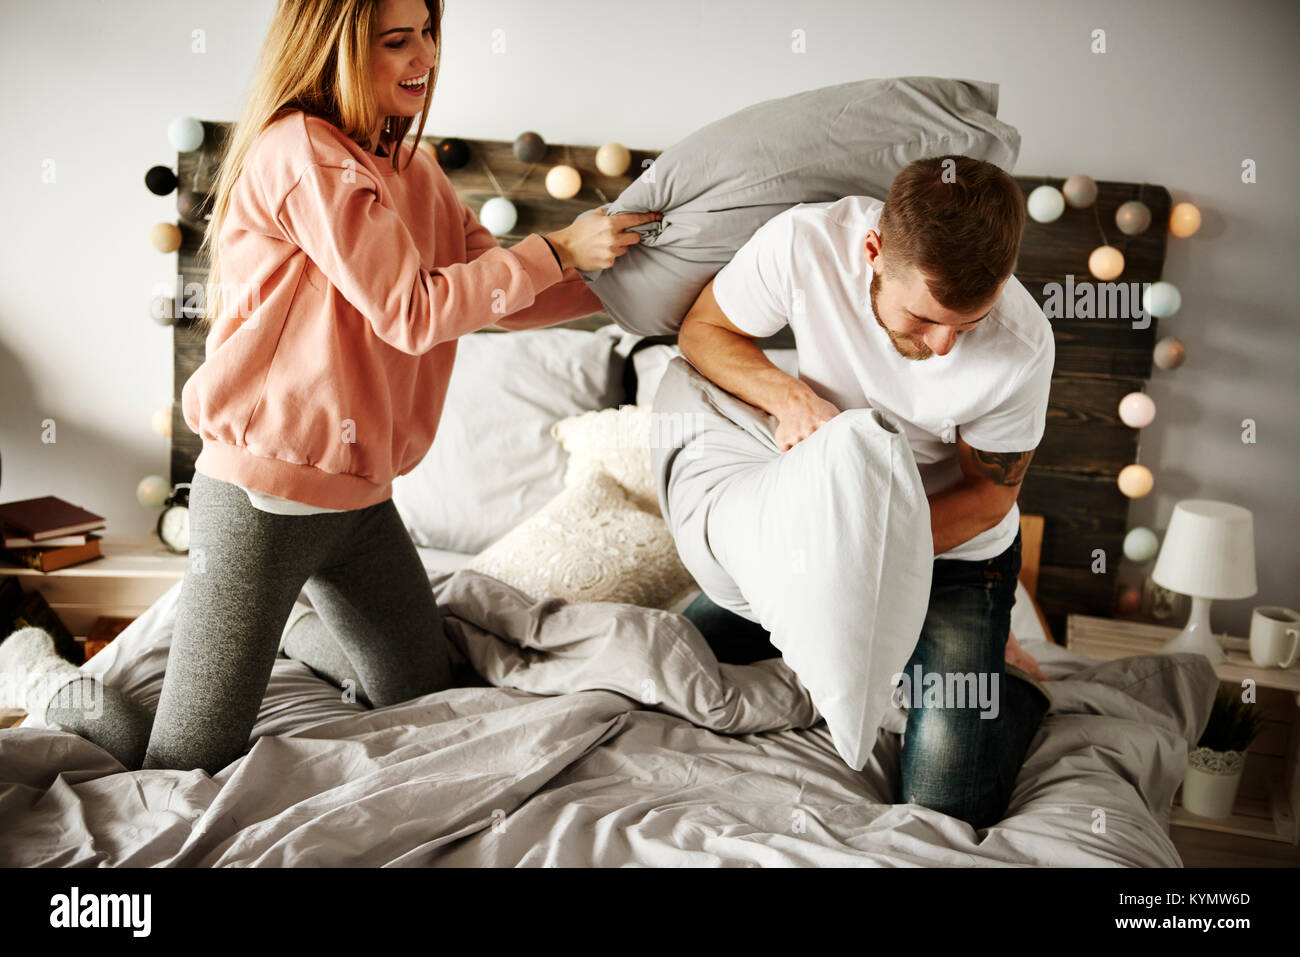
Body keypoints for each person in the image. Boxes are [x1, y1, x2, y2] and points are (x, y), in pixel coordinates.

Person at [0, 0, 658, 775]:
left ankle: (283, 626)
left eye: (430, 33)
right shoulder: (300, 153)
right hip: (259, 507)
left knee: (421, 693)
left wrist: (635, 291)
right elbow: (412, 310)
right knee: (182, 765)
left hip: (361, 506)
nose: (425, 56)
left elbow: (503, 291)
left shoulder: (413, 171)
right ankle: (36, 672)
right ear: (339, 48)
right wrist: (558, 246)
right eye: (398, 40)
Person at [672, 154, 1053, 829]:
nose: (943, 347)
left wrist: (863, 564)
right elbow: (703, 330)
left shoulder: (1020, 346)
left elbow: (987, 496)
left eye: (967, 324)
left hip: (956, 557)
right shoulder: (804, 244)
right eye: (924, 319)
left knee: (945, 801)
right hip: (821, 532)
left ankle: (1007, 672)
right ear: (873, 252)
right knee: (681, 657)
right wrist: (786, 395)